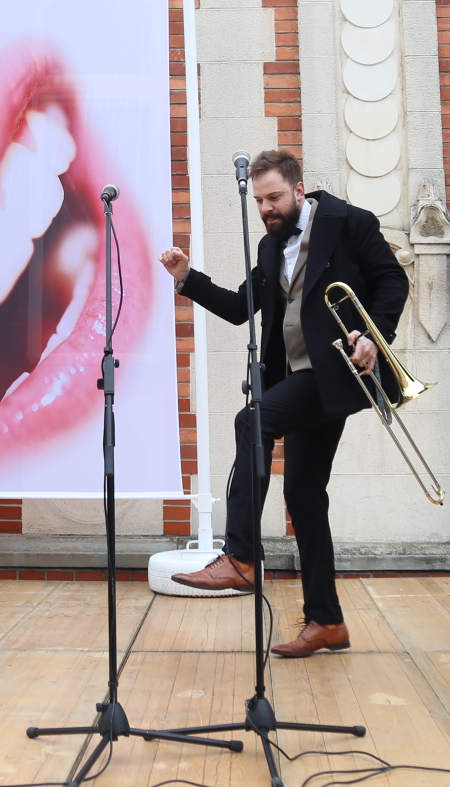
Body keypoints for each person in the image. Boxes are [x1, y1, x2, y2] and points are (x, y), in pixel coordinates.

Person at [156, 148, 409, 658]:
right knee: (304, 495)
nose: (267, 208)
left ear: (298, 190)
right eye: (260, 201)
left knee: (252, 421)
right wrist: (186, 277)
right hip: (295, 379)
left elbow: (392, 281)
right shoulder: (271, 250)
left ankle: (242, 555)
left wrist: (374, 337)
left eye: (274, 197)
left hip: (338, 372)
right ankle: (327, 621)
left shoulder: (349, 222)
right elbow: (237, 309)